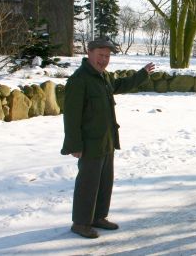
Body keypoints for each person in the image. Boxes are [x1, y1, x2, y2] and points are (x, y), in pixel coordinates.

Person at [61, 38, 155, 239]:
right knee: (88, 183)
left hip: (106, 140)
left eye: (107, 56)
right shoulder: (80, 80)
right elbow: (71, 116)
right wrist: (74, 145)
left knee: (104, 182)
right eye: (100, 55)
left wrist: (142, 74)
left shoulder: (102, 77)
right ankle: (80, 223)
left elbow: (120, 84)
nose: (103, 60)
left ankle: (98, 217)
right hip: (88, 144)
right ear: (89, 53)